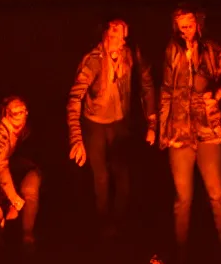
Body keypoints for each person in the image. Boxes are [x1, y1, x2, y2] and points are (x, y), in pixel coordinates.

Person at [67, 19, 157, 235]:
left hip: (119, 123)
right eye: (114, 36)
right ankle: (102, 223)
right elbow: (74, 98)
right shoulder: (92, 62)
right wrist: (76, 139)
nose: (118, 41)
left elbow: (146, 83)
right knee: (101, 176)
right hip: (95, 124)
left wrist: (152, 122)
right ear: (104, 35)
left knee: (123, 174)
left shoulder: (130, 55)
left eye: (122, 37)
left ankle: (119, 223)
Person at [158, 5, 221, 256]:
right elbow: (166, 90)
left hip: (208, 128)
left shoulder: (212, 49)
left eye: (190, 25)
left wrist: (216, 95)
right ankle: (181, 254)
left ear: (198, 24)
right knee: (183, 199)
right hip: (179, 132)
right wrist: (163, 131)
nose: (186, 31)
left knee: (217, 193)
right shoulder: (172, 51)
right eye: (182, 27)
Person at [0, 96, 42, 249]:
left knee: (31, 186)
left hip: (20, 166)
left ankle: (27, 235)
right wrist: (15, 200)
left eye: (24, 111)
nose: (23, 115)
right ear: (6, 113)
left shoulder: (26, 129)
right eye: (17, 112)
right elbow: (0, 166)